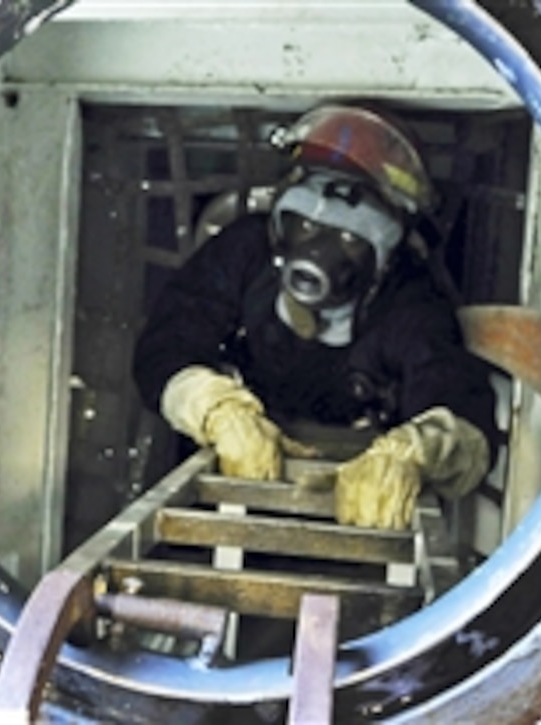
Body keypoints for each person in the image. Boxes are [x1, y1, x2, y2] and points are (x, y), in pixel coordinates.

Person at [132, 105, 497, 531]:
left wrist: (413, 454)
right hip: (241, 451)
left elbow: (459, 401)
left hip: (354, 477)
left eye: (348, 240)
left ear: (383, 258)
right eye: (303, 227)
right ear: (278, 226)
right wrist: (216, 409)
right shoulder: (247, 252)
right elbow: (165, 344)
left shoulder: (408, 303)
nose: (318, 253)